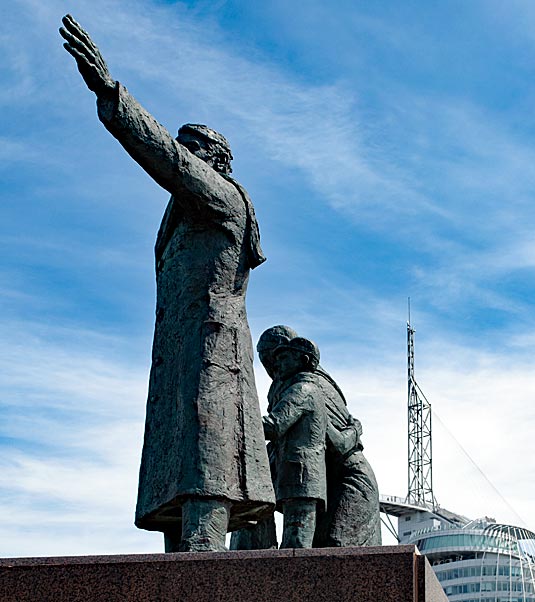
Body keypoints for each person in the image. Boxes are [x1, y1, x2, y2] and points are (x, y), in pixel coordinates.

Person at [59, 15, 275, 552]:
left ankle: (203, 548)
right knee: (178, 443)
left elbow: (169, 161)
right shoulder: (182, 217)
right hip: (179, 347)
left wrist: (113, 96)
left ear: (215, 163)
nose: (183, 154)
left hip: (210, 343)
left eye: (192, 148)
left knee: (206, 431)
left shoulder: (224, 198)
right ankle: (182, 550)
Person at [258, 326, 382, 548]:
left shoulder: (308, 387)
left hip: (348, 482)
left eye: (278, 357)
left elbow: (338, 444)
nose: (273, 365)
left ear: (300, 358)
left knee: (334, 551)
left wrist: (354, 431)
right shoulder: (286, 385)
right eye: (266, 360)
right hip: (322, 481)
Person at [263, 337, 327, 548]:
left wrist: (238, 417)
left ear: (303, 359)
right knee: (293, 546)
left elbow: (274, 425)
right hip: (297, 476)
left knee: (295, 545)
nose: (277, 364)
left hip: (301, 478)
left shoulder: (303, 390)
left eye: (283, 358)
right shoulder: (302, 388)